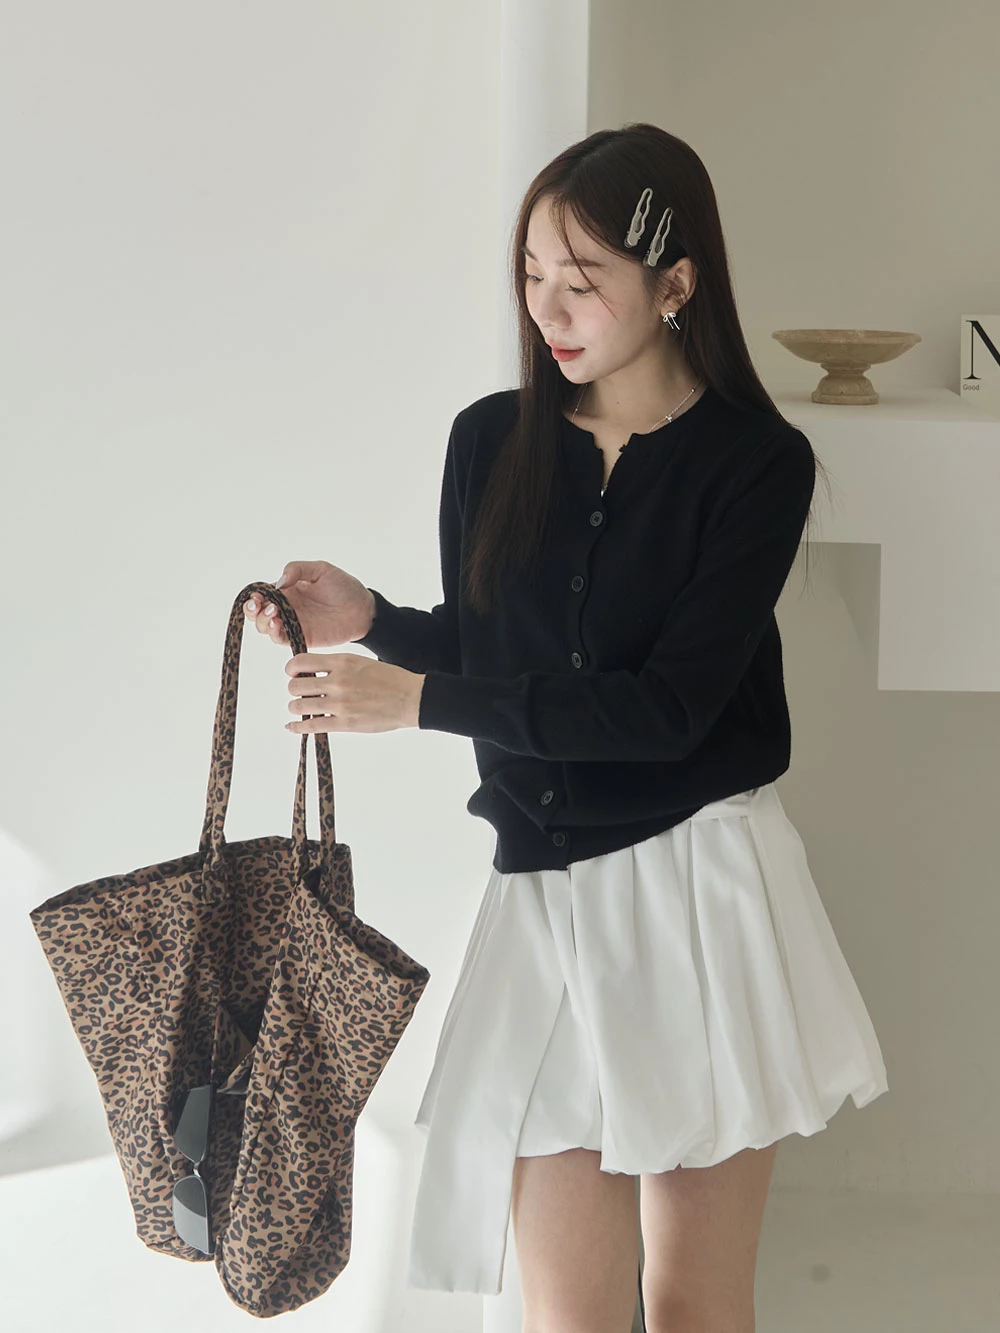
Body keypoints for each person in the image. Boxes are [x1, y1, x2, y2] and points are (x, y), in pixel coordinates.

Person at [242, 122, 888, 1333]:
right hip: (542, 904)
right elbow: (510, 650)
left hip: (696, 894)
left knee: (692, 1306)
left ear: (675, 282)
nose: (547, 306)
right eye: (531, 273)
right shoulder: (490, 440)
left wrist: (420, 702)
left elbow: (667, 710)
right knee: (567, 1317)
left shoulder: (756, 465)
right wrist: (379, 623)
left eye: (581, 279)